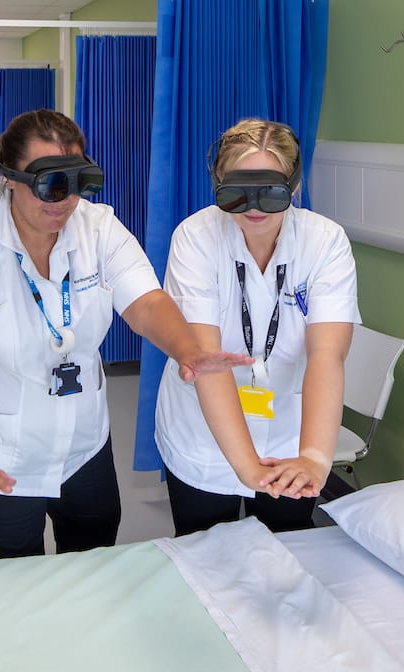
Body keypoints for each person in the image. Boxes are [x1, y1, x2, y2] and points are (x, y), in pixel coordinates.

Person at [0, 109, 255, 561]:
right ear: (9, 177)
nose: (64, 200)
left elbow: (146, 302)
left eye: (77, 181)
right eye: (49, 183)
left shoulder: (97, 226)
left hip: (83, 442)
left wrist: (188, 350)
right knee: (12, 570)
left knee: (93, 552)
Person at [154, 119, 359, 536]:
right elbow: (206, 361)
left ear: (294, 187)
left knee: (286, 554)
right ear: (217, 184)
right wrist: (248, 466)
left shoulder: (325, 242)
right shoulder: (196, 238)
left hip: (289, 433)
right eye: (236, 191)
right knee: (203, 553)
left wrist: (315, 457)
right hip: (204, 435)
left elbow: (327, 355)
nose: (253, 207)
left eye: (270, 191)